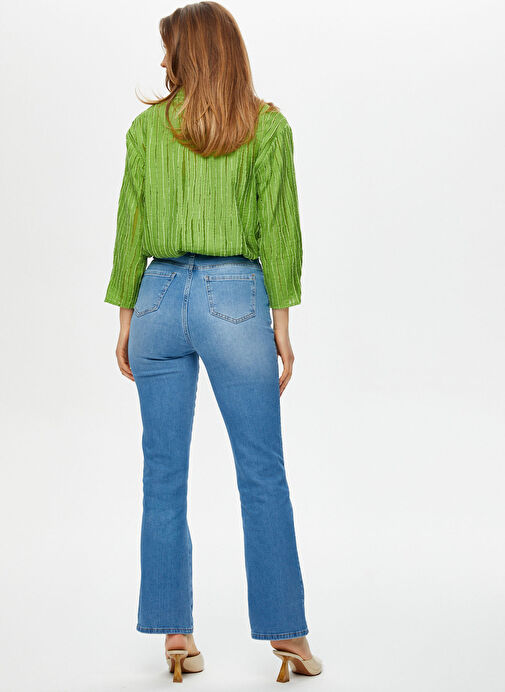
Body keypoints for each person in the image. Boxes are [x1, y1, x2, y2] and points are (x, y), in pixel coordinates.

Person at [104, 1, 322, 683]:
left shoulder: (147, 129)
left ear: (188, 52)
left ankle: (176, 636)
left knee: (162, 475)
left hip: (158, 296)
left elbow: (130, 222)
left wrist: (126, 317)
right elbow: (279, 228)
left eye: (168, 48)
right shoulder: (266, 126)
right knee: (261, 473)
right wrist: (281, 323)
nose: (161, 60)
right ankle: (288, 639)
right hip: (235, 299)